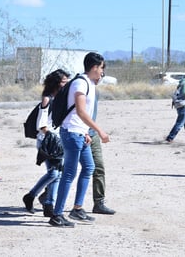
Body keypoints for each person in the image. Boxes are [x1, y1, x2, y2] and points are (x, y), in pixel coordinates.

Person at [49, 52, 110, 228]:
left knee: (89, 167)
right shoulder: (80, 83)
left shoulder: (88, 83)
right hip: (72, 133)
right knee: (69, 173)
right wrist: (99, 131)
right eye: (101, 68)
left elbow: (79, 113)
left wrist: (86, 132)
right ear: (94, 67)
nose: (102, 72)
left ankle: (77, 208)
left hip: (79, 133)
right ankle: (57, 214)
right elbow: (81, 112)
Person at [22, 69, 70, 217]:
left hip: (59, 140)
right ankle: (32, 196)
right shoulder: (47, 99)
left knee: (57, 174)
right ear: (56, 83)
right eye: (63, 82)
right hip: (48, 142)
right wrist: (51, 135)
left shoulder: (64, 99)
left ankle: (48, 203)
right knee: (54, 173)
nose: (66, 85)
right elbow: (41, 124)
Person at [90, 90, 115, 215]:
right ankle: (48, 196)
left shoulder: (95, 91)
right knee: (65, 170)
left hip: (92, 135)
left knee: (98, 168)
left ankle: (99, 203)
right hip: (76, 134)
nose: (101, 74)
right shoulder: (78, 87)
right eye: (100, 69)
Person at [165, 71, 185, 144]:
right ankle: (170, 137)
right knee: (179, 123)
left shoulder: (182, 82)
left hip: (180, 105)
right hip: (183, 105)